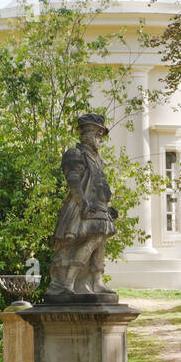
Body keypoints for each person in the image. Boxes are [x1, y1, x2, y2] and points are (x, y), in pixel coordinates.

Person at [46, 113, 119, 301]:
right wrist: (83, 203)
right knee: (95, 238)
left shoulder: (98, 160)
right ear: (85, 134)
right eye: (97, 133)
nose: (99, 139)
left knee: (101, 241)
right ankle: (69, 281)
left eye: (101, 135)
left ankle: (96, 281)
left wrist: (108, 206)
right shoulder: (75, 154)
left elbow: (99, 185)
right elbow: (74, 181)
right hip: (82, 209)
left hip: (100, 208)